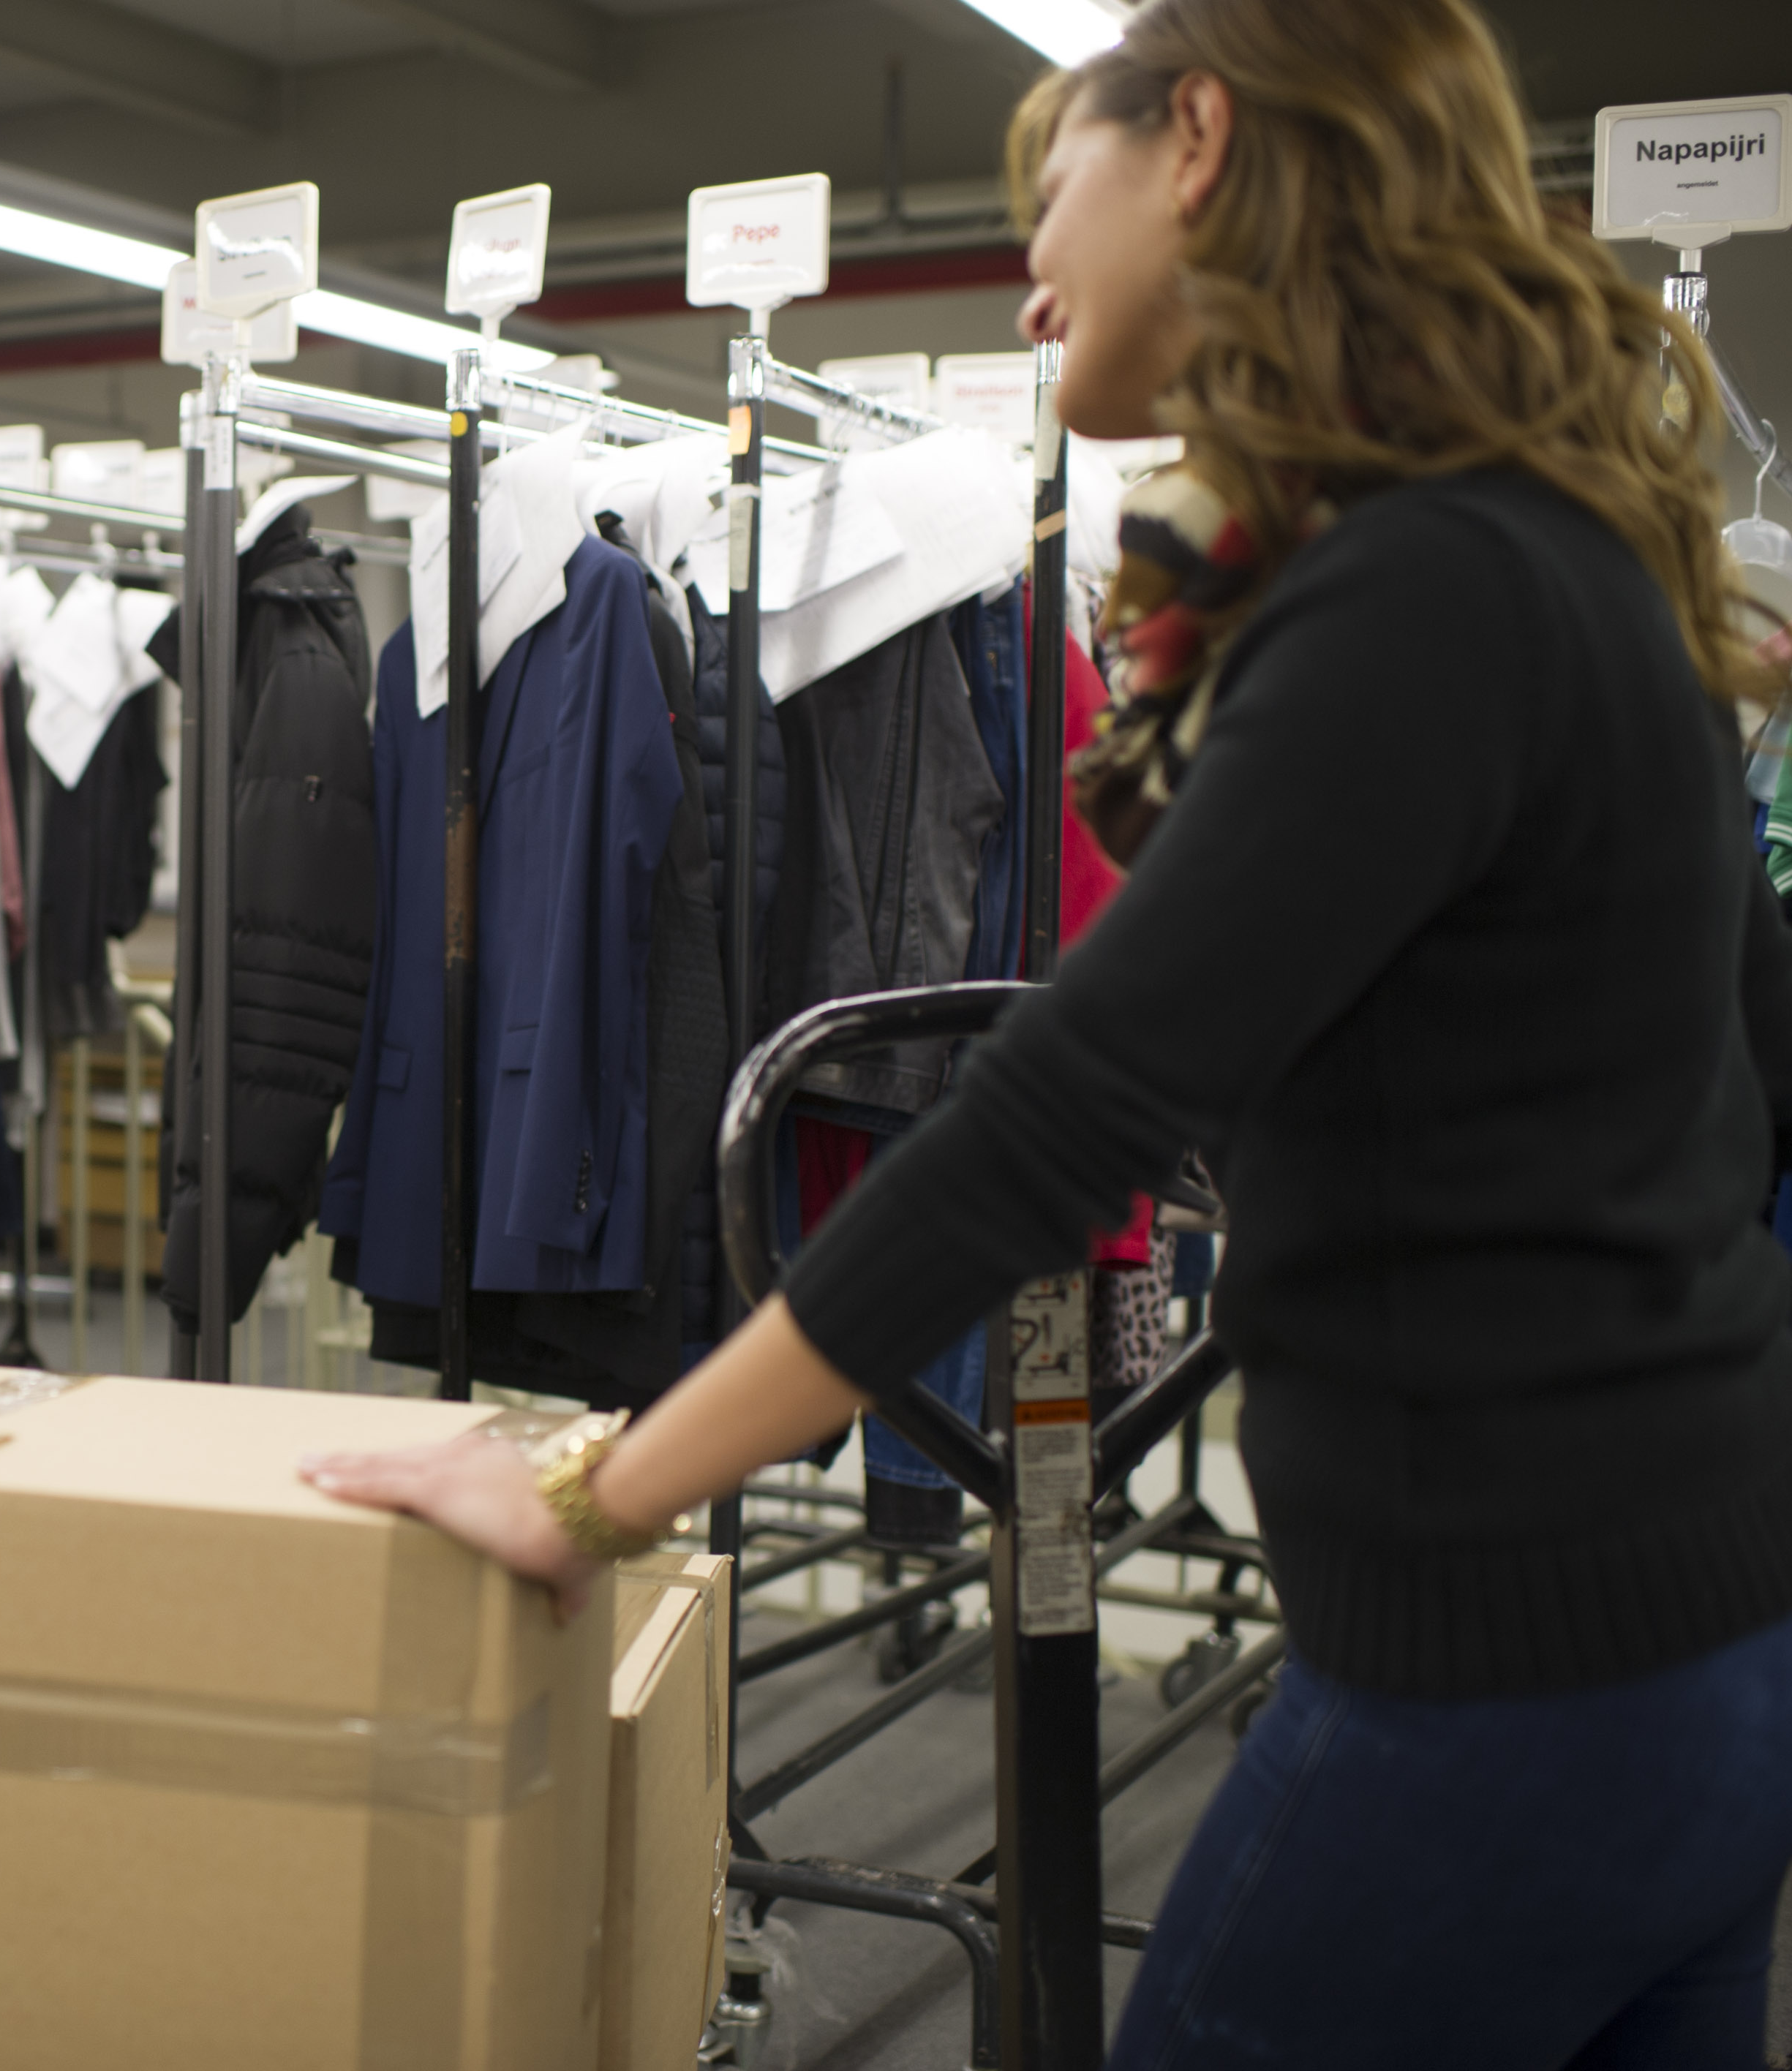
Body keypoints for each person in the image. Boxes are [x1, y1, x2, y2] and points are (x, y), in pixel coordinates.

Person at [303, 1, 1792, 2063]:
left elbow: (1063, 1106)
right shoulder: (1562, 562)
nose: (1027, 273)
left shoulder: (1413, 596)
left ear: (1193, 137)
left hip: (1494, 1673)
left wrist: (602, 1494)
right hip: (1698, 1648)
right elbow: (1747, 1072)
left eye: (1049, 193)